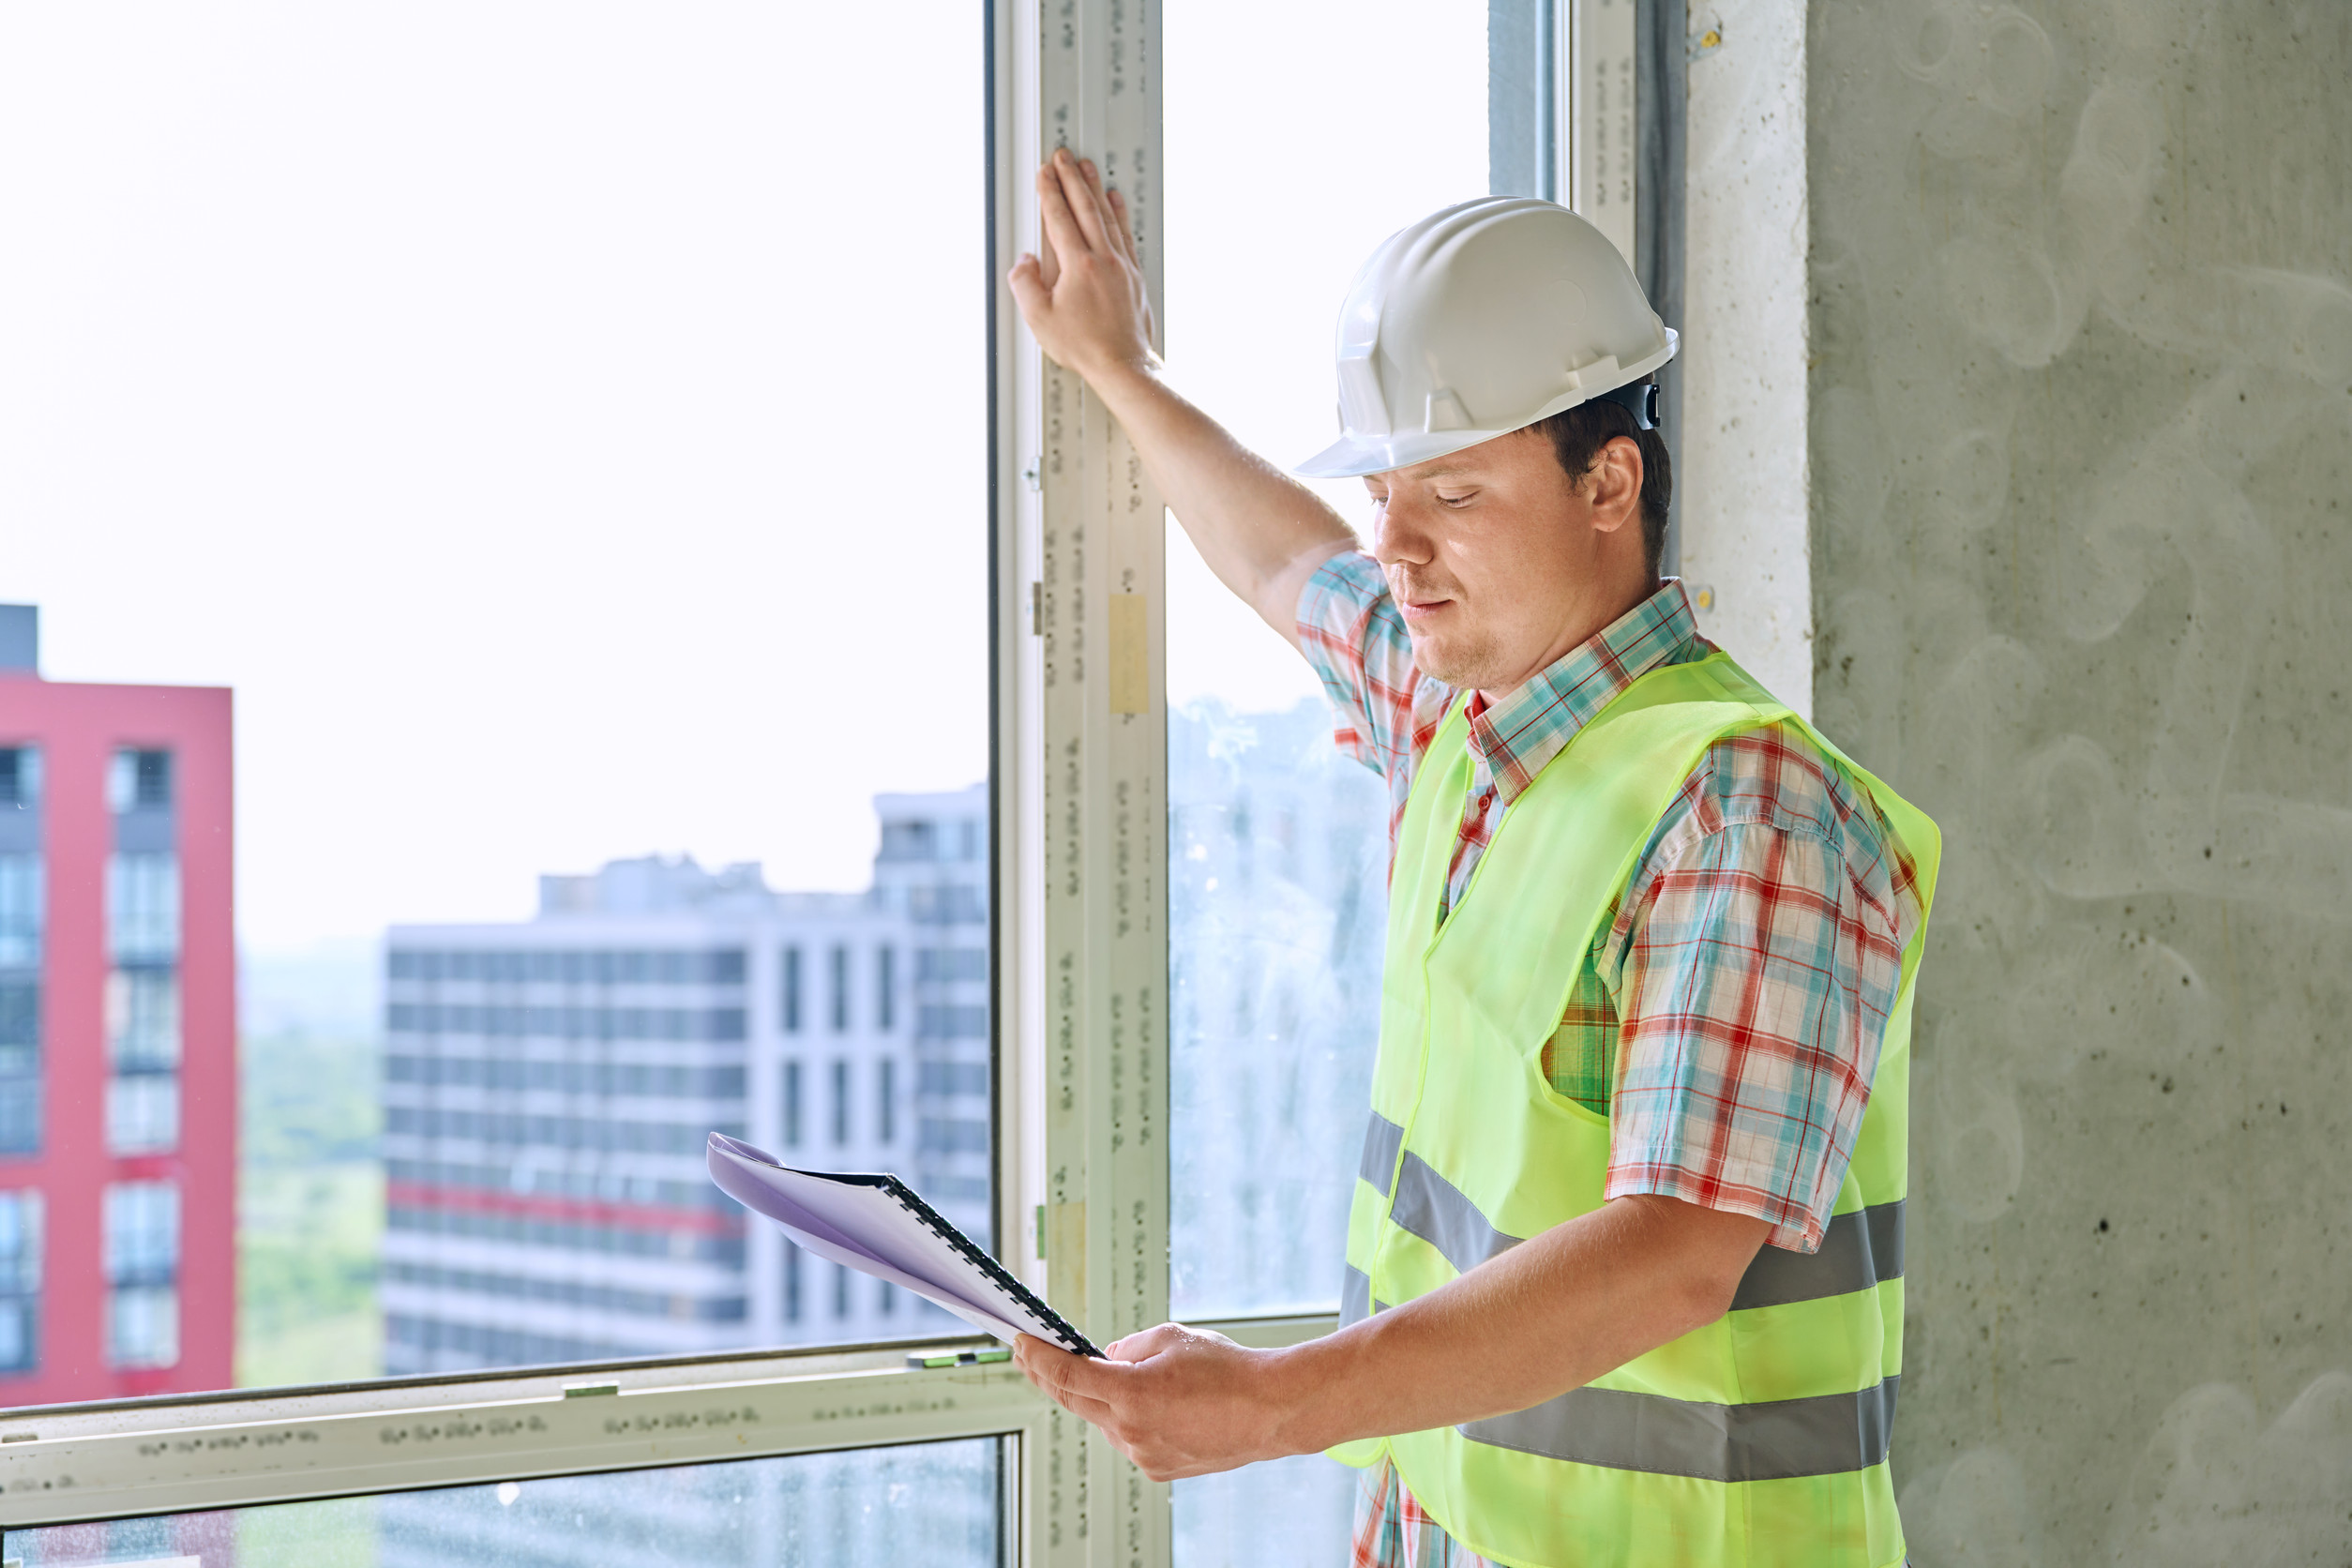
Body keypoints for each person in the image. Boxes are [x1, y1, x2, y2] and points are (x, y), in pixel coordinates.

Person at [1006, 146, 1939, 1568]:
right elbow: (1282, 566)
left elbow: (1676, 1255)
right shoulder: (1459, 726)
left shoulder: (1750, 814)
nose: (1397, 543)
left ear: (1609, 482)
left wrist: (1268, 1409)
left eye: (1452, 494)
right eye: (1388, 492)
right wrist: (1120, 369)